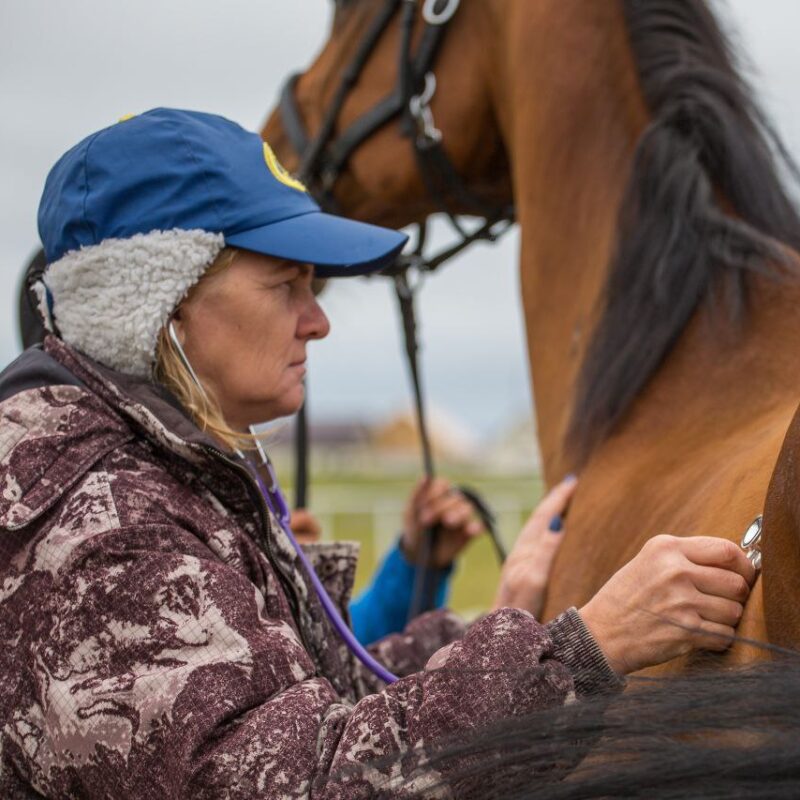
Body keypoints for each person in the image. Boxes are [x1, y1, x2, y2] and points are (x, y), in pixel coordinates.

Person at [0, 109, 756, 798]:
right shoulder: (99, 532)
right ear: (160, 308)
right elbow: (289, 781)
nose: (318, 321)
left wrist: (509, 623)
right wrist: (585, 650)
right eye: (285, 283)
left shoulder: (169, 470)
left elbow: (312, 697)